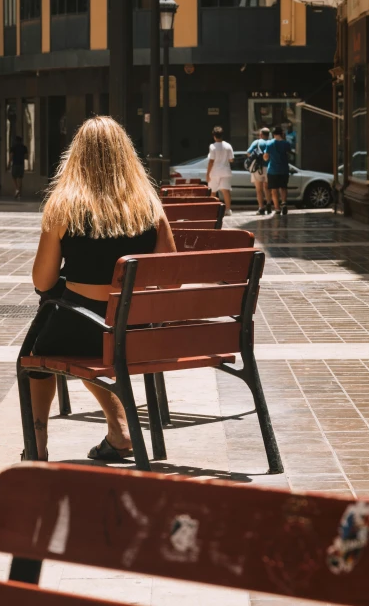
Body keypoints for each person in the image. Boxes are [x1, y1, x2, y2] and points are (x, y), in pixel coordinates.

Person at [29, 116, 176, 462]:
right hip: (135, 333)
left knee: (38, 353)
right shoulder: (149, 208)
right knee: (102, 344)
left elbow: (42, 282)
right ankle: (120, 430)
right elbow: (171, 279)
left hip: (80, 329)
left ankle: (36, 446)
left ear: (75, 157)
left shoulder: (63, 208)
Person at [263, 126, 292, 216]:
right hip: (284, 169)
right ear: (282, 134)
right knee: (283, 187)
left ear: (273, 134)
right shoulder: (286, 144)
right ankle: (284, 202)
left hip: (273, 170)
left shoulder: (269, 144)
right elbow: (289, 155)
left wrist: (266, 157)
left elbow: (266, 157)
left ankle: (277, 208)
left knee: (274, 190)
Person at [206, 126, 234, 216]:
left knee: (213, 192)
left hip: (214, 172)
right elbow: (231, 160)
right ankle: (228, 209)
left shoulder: (212, 146)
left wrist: (207, 173)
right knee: (226, 191)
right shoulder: (228, 146)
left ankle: (212, 209)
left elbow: (211, 161)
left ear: (214, 136)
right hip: (225, 171)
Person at [247, 127, 272, 215]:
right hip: (269, 168)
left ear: (261, 134)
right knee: (268, 188)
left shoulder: (257, 142)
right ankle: (269, 204)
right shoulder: (271, 142)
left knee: (259, 189)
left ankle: (261, 208)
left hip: (258, 168)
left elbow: (248, 152)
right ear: (268, 135)